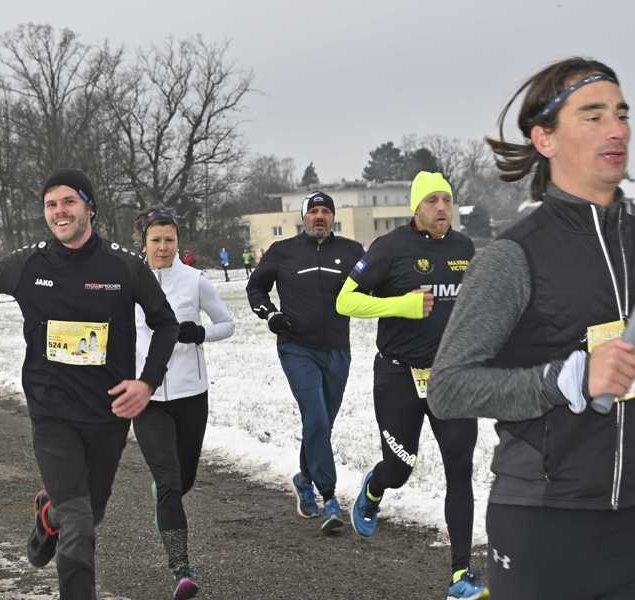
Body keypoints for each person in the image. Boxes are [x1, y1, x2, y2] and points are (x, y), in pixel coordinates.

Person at [427, 57, 635, 600]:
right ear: (545, 138)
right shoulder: (515, 255)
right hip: (542, 518)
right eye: (592, 116)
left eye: (621, 113)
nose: (616, 130)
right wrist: (566, 379)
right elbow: (448, 388)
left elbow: (629, 351)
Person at [0, 168, 178, 600]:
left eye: (68, 202)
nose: (59, 211)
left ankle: (48, 515)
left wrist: (146, 383)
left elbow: (166, 325)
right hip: (52, 412)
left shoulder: (124, 265)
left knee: (89, 512)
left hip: (108, 413)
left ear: (90, 209)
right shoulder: (28, 264)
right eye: (51, 205)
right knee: (80, 524)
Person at [336, 172, 486, 599]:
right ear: (416, 208)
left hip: (451, 377)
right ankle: (374, 487)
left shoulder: (464, 248)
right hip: (398, 375)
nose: (442, 207)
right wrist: (399, 305)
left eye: (447, 200)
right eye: (433, 200)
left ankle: (461, 574)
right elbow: (344, 300)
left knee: (460, 471)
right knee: (400, 469)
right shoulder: (390, 248)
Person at [246, 191, 364, 532]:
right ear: (303, 217)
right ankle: (329, 497)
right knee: (315, 416)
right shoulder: (282, 252)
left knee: (322, 424)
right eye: (313, 211)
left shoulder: (351, 251)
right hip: (297, 348)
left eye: (326, 211)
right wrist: (270, 316)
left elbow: (376, 284)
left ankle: (303, 477)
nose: (319, 216)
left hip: (338, 349)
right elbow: (256, 290)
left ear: (333, 217)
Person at [133, 208, 235, 598]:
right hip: (147, 395)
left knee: (184, 477)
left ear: (178, 243)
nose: (163, 247)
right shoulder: (127, 281)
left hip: (192, 395)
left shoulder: (195, 282)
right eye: (156, 240)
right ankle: (181, 570)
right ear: (144, 243)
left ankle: (167, 493)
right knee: (170, 481)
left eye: (169, 240)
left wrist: (200, 333)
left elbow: (227, 324)